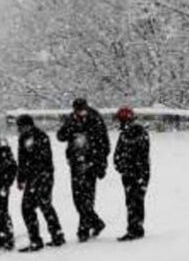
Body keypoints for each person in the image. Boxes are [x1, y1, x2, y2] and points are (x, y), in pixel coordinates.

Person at [56, 98, 110, 242]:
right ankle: (95, 222)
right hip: (75, 163)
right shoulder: (71, 119)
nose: (79, 113)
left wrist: (101, 164)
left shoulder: (95, 119)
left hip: (91, 162)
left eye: (81, 110)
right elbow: (60, 136)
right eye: (77, 111)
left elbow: (104, 143)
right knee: (78, 198)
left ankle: (84, 229)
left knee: (87, 197)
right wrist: (70, 129)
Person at [15, 114, 65, 252]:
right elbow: (22, 160)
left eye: (21, 127)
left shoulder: (40, 137)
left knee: (41, 205)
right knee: (35, 206)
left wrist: (36, 173)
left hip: (43, 175)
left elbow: (42, 158)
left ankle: (46, 238)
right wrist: (21, 178)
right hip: (33, 177)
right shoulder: (23, 139)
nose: (19, 130)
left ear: (29, 125)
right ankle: (52, 235)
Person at [113, 106, 151, 241]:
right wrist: (120, 164)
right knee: (133, 201)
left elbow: (139, 155)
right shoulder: (128, 134)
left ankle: (135, 228)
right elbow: (118, 153)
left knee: (134, 201)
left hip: (137, 173)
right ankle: (135, 227)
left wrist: (123, 165)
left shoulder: (136, 134)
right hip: (134, 172)